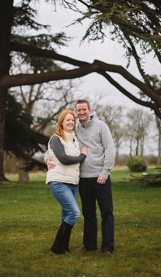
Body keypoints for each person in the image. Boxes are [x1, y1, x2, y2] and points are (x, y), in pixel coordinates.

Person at [46, 100, 116, 254]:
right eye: (79, 110)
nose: (82, 113)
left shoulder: (101, 126)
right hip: (83, 179)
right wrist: (47, 159)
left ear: (90, 110)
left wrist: (105, 172)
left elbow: (110, 150)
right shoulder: (74, 128)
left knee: (106, 213)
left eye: (84, 109)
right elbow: (55, 143)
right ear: (76, 112)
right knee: (88, 213)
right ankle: (89, 246)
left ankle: (107, 247)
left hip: (100, 177)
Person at [46, 109, 88, 254]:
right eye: (67, 120)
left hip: (72, 182)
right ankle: (56, 246)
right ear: (61, 123)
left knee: (66, 214)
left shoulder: (74, 139)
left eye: (72, 120)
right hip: (58, 181)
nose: (70, 122)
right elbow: (63, 158)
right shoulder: (56, 138)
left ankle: (63, 246)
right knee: (74, 213)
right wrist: (82, 156)